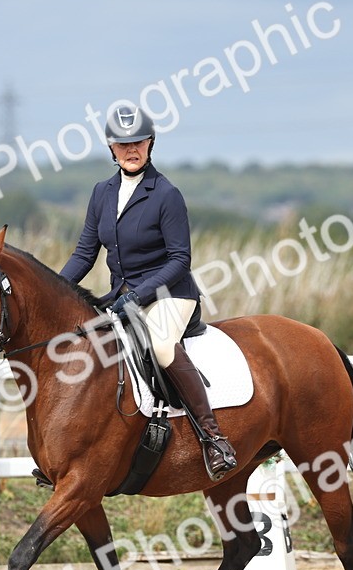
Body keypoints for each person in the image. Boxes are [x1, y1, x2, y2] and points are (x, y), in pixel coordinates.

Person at [59, 105, 238, 481]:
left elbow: (179, 260)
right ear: (111, 147)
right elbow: (84, 253)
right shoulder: (101, 193)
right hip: (120, 298)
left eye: (138, 142)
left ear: (150, 143)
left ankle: (213, 437)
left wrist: (138, 295)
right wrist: (55, 290)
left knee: (159, 346)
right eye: (123, 144)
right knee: (86, 347)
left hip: (170, 295)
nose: (131, 149)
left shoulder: (166, 194)